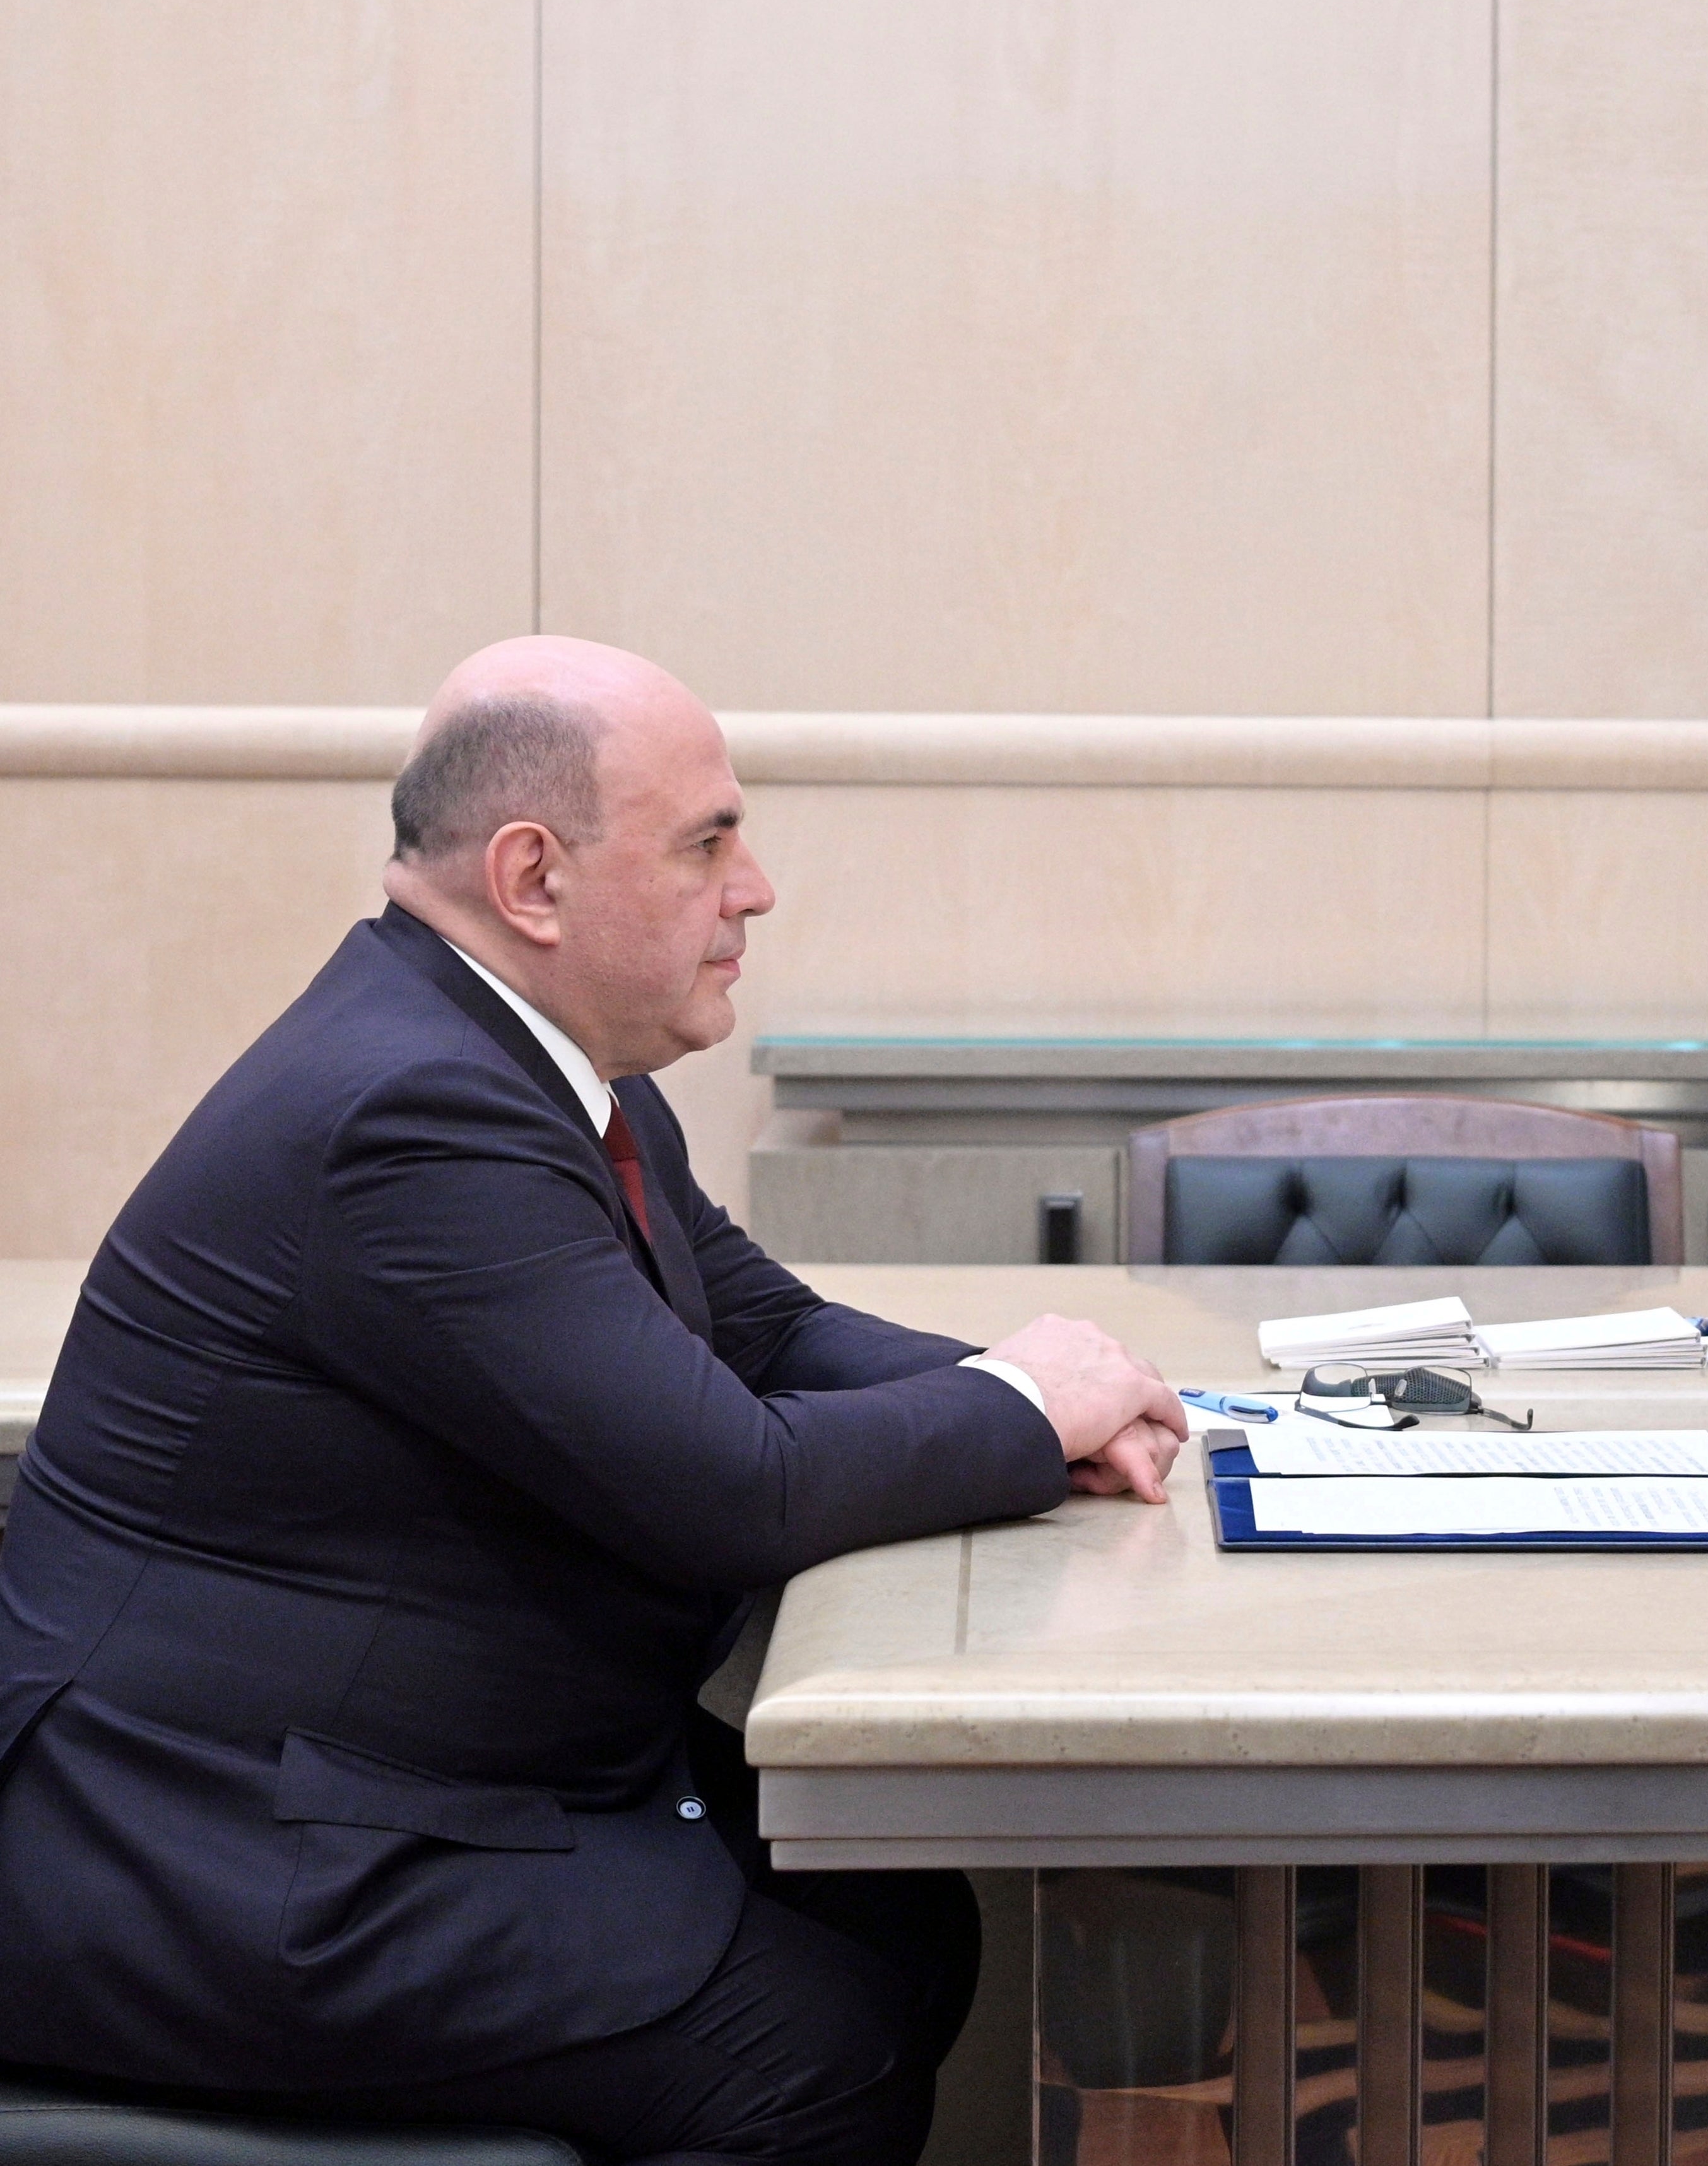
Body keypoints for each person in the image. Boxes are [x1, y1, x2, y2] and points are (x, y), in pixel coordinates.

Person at [0, 637, 1191, 2166]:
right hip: (217, 1854)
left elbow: (765, 1331)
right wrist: (1028, 1405)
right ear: (533, 879)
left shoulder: (543, 1068)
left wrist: (1076, 1405)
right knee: (810, 2035)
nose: (754, 888)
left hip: (382, 1773)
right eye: (709, 841)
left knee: (892, 1911)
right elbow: (733, 1488)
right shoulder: (412, 1114)